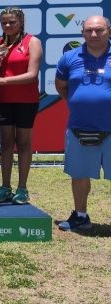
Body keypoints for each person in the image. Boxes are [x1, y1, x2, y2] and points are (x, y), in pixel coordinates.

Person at [53, 15, 111, 231]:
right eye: (88, 30)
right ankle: (80, 216)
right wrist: (81, 102)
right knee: (79, 175)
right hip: (80, 126)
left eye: (99, 30)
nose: (93, 34)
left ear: (109, 31)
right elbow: (61, 85)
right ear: (82, 33)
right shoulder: (69, 57)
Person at [0, 7, 42, 205]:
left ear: (21, 22)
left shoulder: (33, 42)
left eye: (12, 22)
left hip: (26, 100)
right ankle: (5, 187)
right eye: (4, 22)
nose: (8, 25)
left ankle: (22, 188)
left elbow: (32, 75)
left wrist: (2, 81)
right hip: (3, 99)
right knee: (5, 144)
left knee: (24, 143)